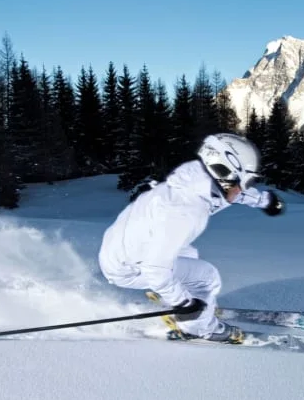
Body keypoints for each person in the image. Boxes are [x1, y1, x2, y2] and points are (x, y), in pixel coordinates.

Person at [98, 132, 285, 341]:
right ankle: (199, 327)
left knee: (189, 255)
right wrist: (183, 304)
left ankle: (177, 297)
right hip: (129, 267)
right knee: (207, 278)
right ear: (225, 173)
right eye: (245, 180)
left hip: (121, 248)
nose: (245, 187)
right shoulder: (185, 211)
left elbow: (230, 195)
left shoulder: (195, 180)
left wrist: (264, 201)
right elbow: (155, 269)